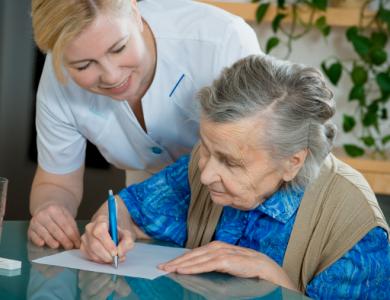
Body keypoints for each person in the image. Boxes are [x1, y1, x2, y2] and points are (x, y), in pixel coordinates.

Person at [80, 55, 390, 298]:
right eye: (206, 147)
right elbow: (126, 211)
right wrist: (107, 231)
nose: (207, 174)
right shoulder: (201, 169)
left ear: (292, 162)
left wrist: (277, 283)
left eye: (230, 162)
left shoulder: (353, 228)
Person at [29, 0, 261, 250]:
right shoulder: (59, 79)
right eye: (84, 65)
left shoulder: (222, 40)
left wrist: (129, 207)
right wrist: (50, 211)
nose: (112, 76)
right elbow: (56, 182)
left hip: (241, 205)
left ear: (135, 13)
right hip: (146, 206)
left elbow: (255, 164)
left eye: (118, 48)